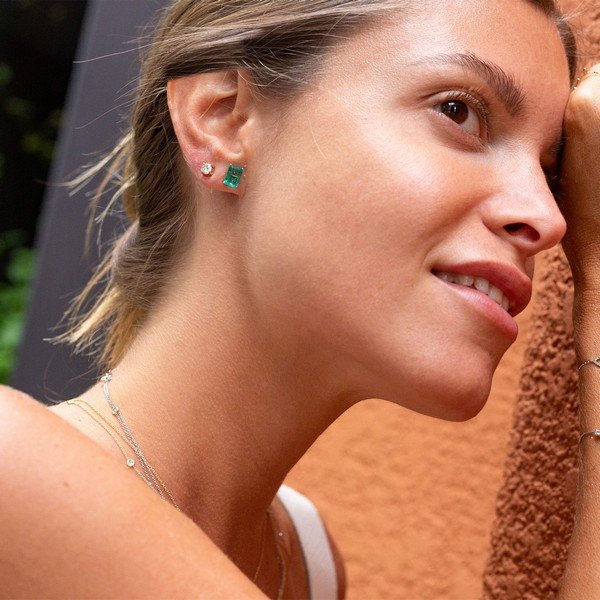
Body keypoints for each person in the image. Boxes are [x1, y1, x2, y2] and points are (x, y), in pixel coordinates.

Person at [0, 0, 595, 597]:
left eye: (552, 175)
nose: (547, 218)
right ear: (222, 120)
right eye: (459, 111)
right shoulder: (14, 471)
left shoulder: (305, 560)